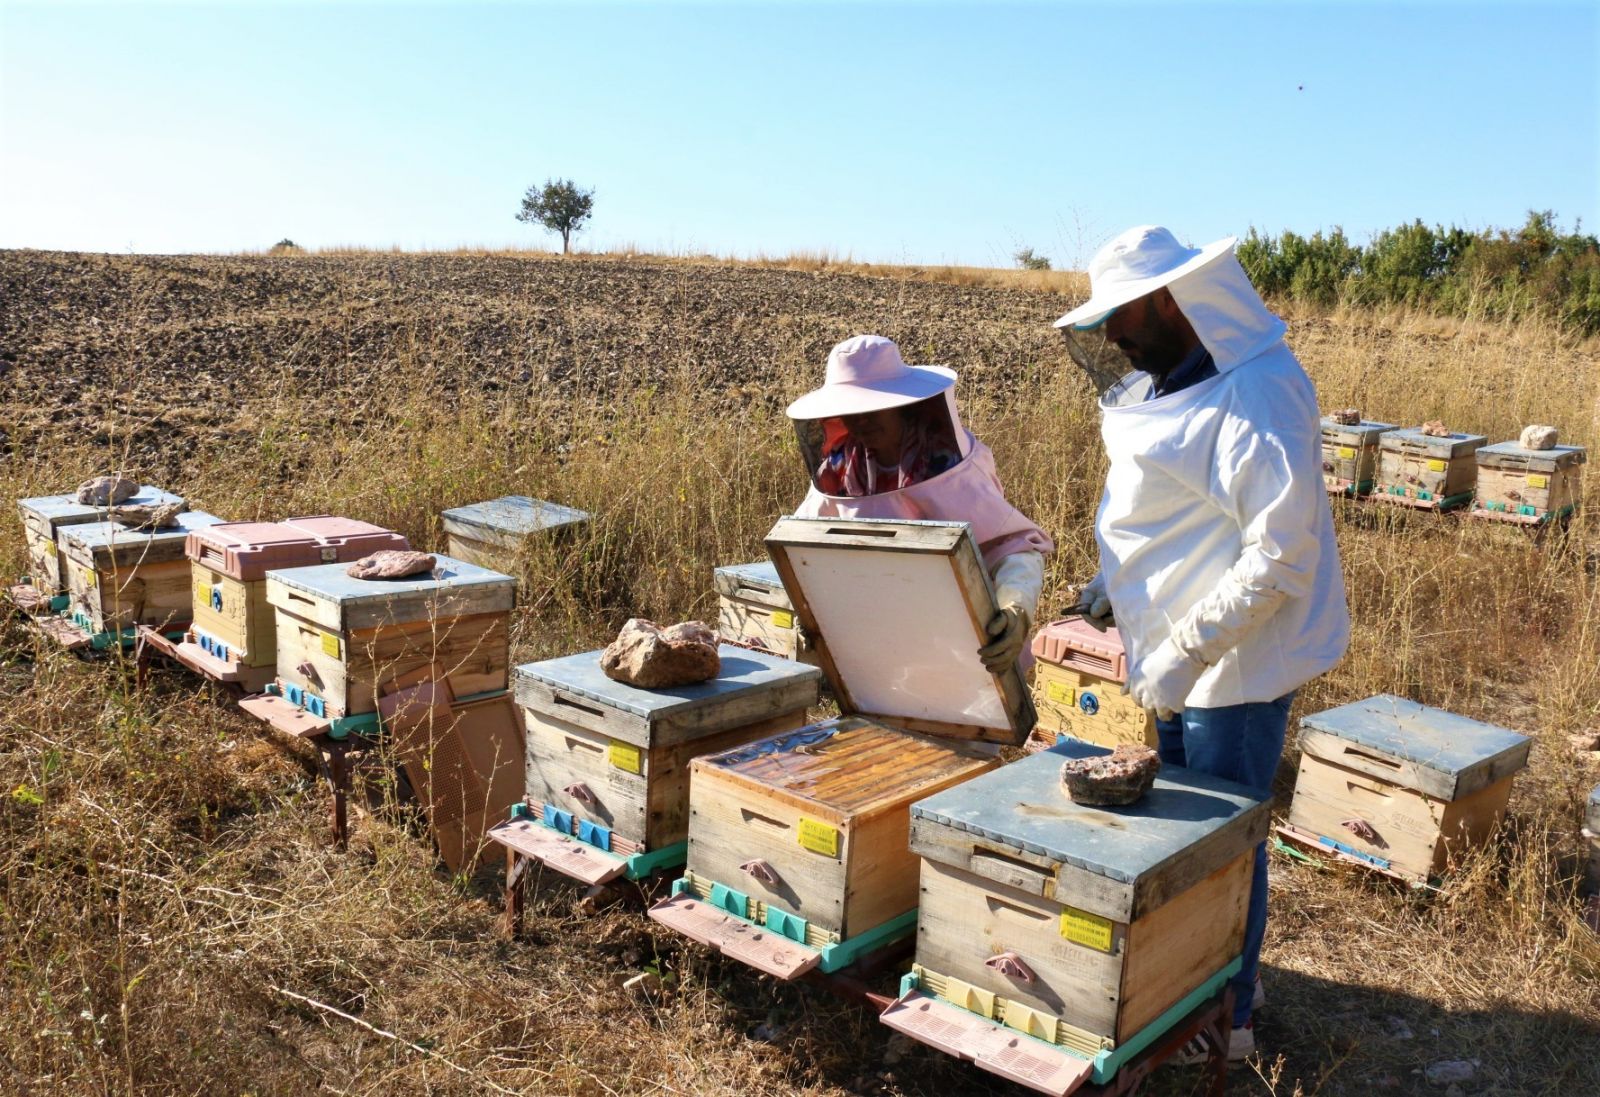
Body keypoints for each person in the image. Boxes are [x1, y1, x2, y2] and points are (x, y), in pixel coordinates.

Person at [1054, 226, 1351, 1062]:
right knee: (1184, 834)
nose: (1113, 334)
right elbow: (1177, 509)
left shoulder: (1257, 393)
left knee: (1224, 849)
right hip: (1176, 656)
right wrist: (1116, 582)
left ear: (1170, 300)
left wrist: (1186, 651)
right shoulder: (1175, 380)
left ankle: (1232, 1018)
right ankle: (1193, 986)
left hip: (1236, 669)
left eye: (1123, 313)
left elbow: (1280, 555)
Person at [786, 334, 1054, 672]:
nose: (861, 421)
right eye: (851, 411)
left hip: (962, 644)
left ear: (901, 405)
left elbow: (1013, 547)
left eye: (872, 408)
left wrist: (1015, 607)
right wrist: (805, 606)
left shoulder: (946, 464)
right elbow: (801, 543)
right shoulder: (839, 467)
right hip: (878, 645)